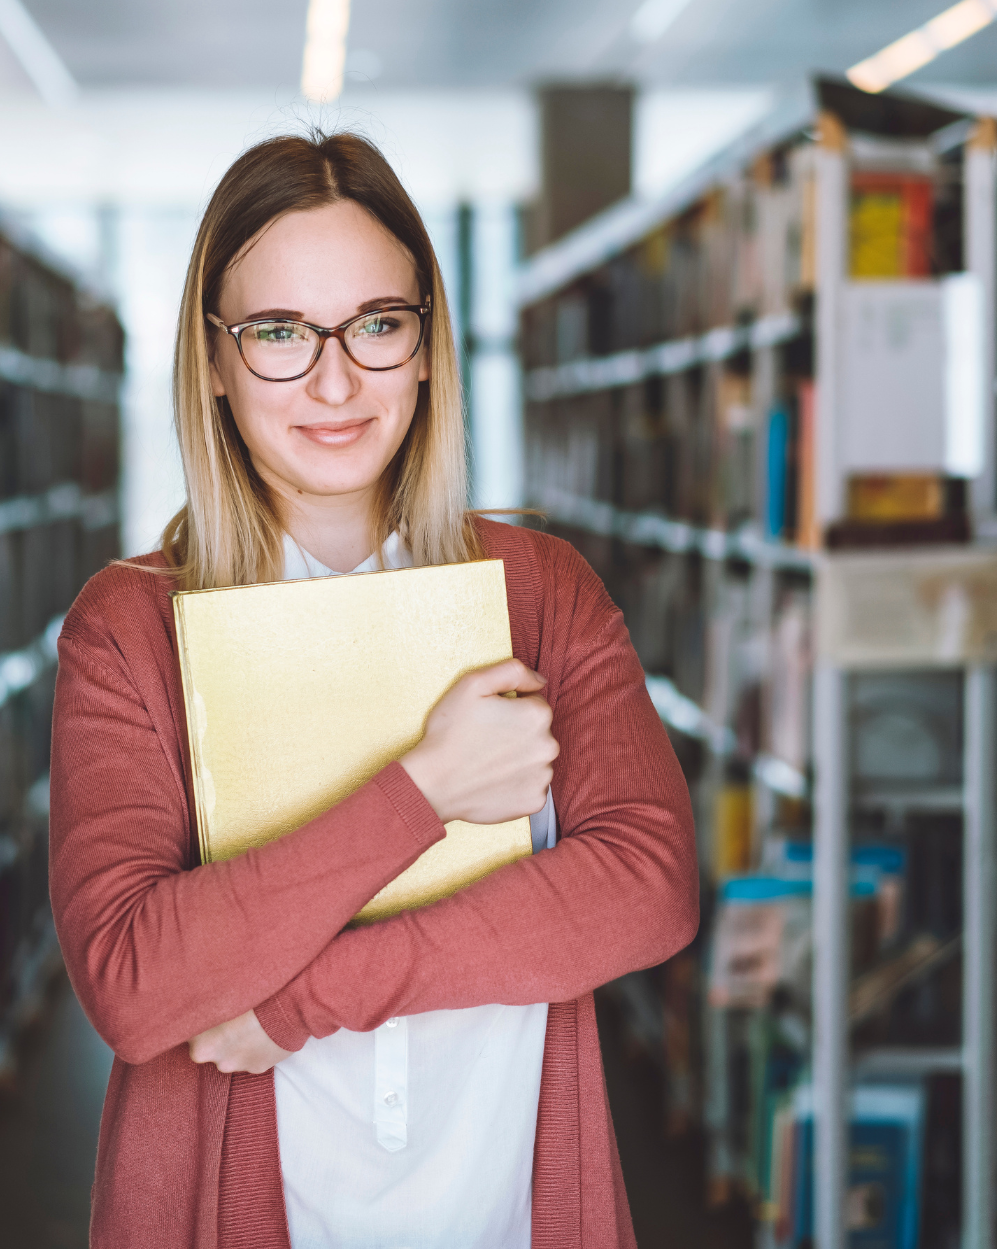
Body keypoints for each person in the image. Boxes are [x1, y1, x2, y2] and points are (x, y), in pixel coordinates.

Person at [49, 131, 698, 1249]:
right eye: (280, 333)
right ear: (213, 360)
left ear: (428, 345)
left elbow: (648, 887)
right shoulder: (130, 625)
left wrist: (299, 1000)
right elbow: (134, 979)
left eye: (377, 324)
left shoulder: (541, 591)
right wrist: (426, 789)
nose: (335, 380)